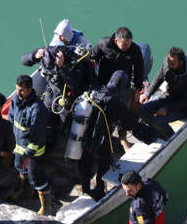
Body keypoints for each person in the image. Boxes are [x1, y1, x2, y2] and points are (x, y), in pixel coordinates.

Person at [67, 71, 157, 200]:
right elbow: (130, 121)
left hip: (83, 139)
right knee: (104, 166)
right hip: (101, 141)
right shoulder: (113, 101)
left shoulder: (94, 91)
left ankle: (85, 191)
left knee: (85, 167)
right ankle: (99, 192)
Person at [91, 27, 147, 150]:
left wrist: (137, 89)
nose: (128, 46)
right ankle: (106, 137)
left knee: (124, 112)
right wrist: (93, 61)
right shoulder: (104, 43)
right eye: (124, 44)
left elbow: (139, 70)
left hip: (124, 88)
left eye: (129, 43)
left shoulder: (135, 50)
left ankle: (122, 136)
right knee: (104, 113)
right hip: (105, 87)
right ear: (116, 41)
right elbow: (93, 55)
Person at [8, 74, 53, 215]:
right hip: (18, 148)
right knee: (20, 169)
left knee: (36, 178)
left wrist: (28, 155)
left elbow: (37, 136)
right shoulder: (16, 99)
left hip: (33, 153)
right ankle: (26, 191)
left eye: (21, 90)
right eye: (17, 89)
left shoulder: (37, 109)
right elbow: (11, 119)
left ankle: (46, 207)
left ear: (29, 89)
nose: (18, 93)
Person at [138, 47, 187, 141]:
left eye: (172, 63)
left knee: (158, 121)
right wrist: (147, 94)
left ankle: (172, 139)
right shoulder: (166, 62)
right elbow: (159, 77)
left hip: (183, 107)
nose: (169, 65)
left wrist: (167, 109)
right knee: (142, 110)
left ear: (181, 62)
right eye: (168, 61)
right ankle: (159, 133)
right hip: (167, 97)